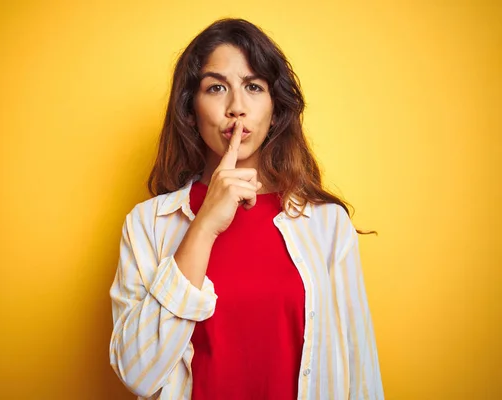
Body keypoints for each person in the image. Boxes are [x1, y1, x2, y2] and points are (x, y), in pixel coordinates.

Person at [109, 18, 384, 400]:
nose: (236, 107)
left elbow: (359, 370)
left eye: (253, 87)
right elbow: (136, 372)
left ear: (276, 109)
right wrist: (203, 225)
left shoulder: (326, 224)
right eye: (216, 87)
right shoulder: (148, 225)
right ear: (190, 109)